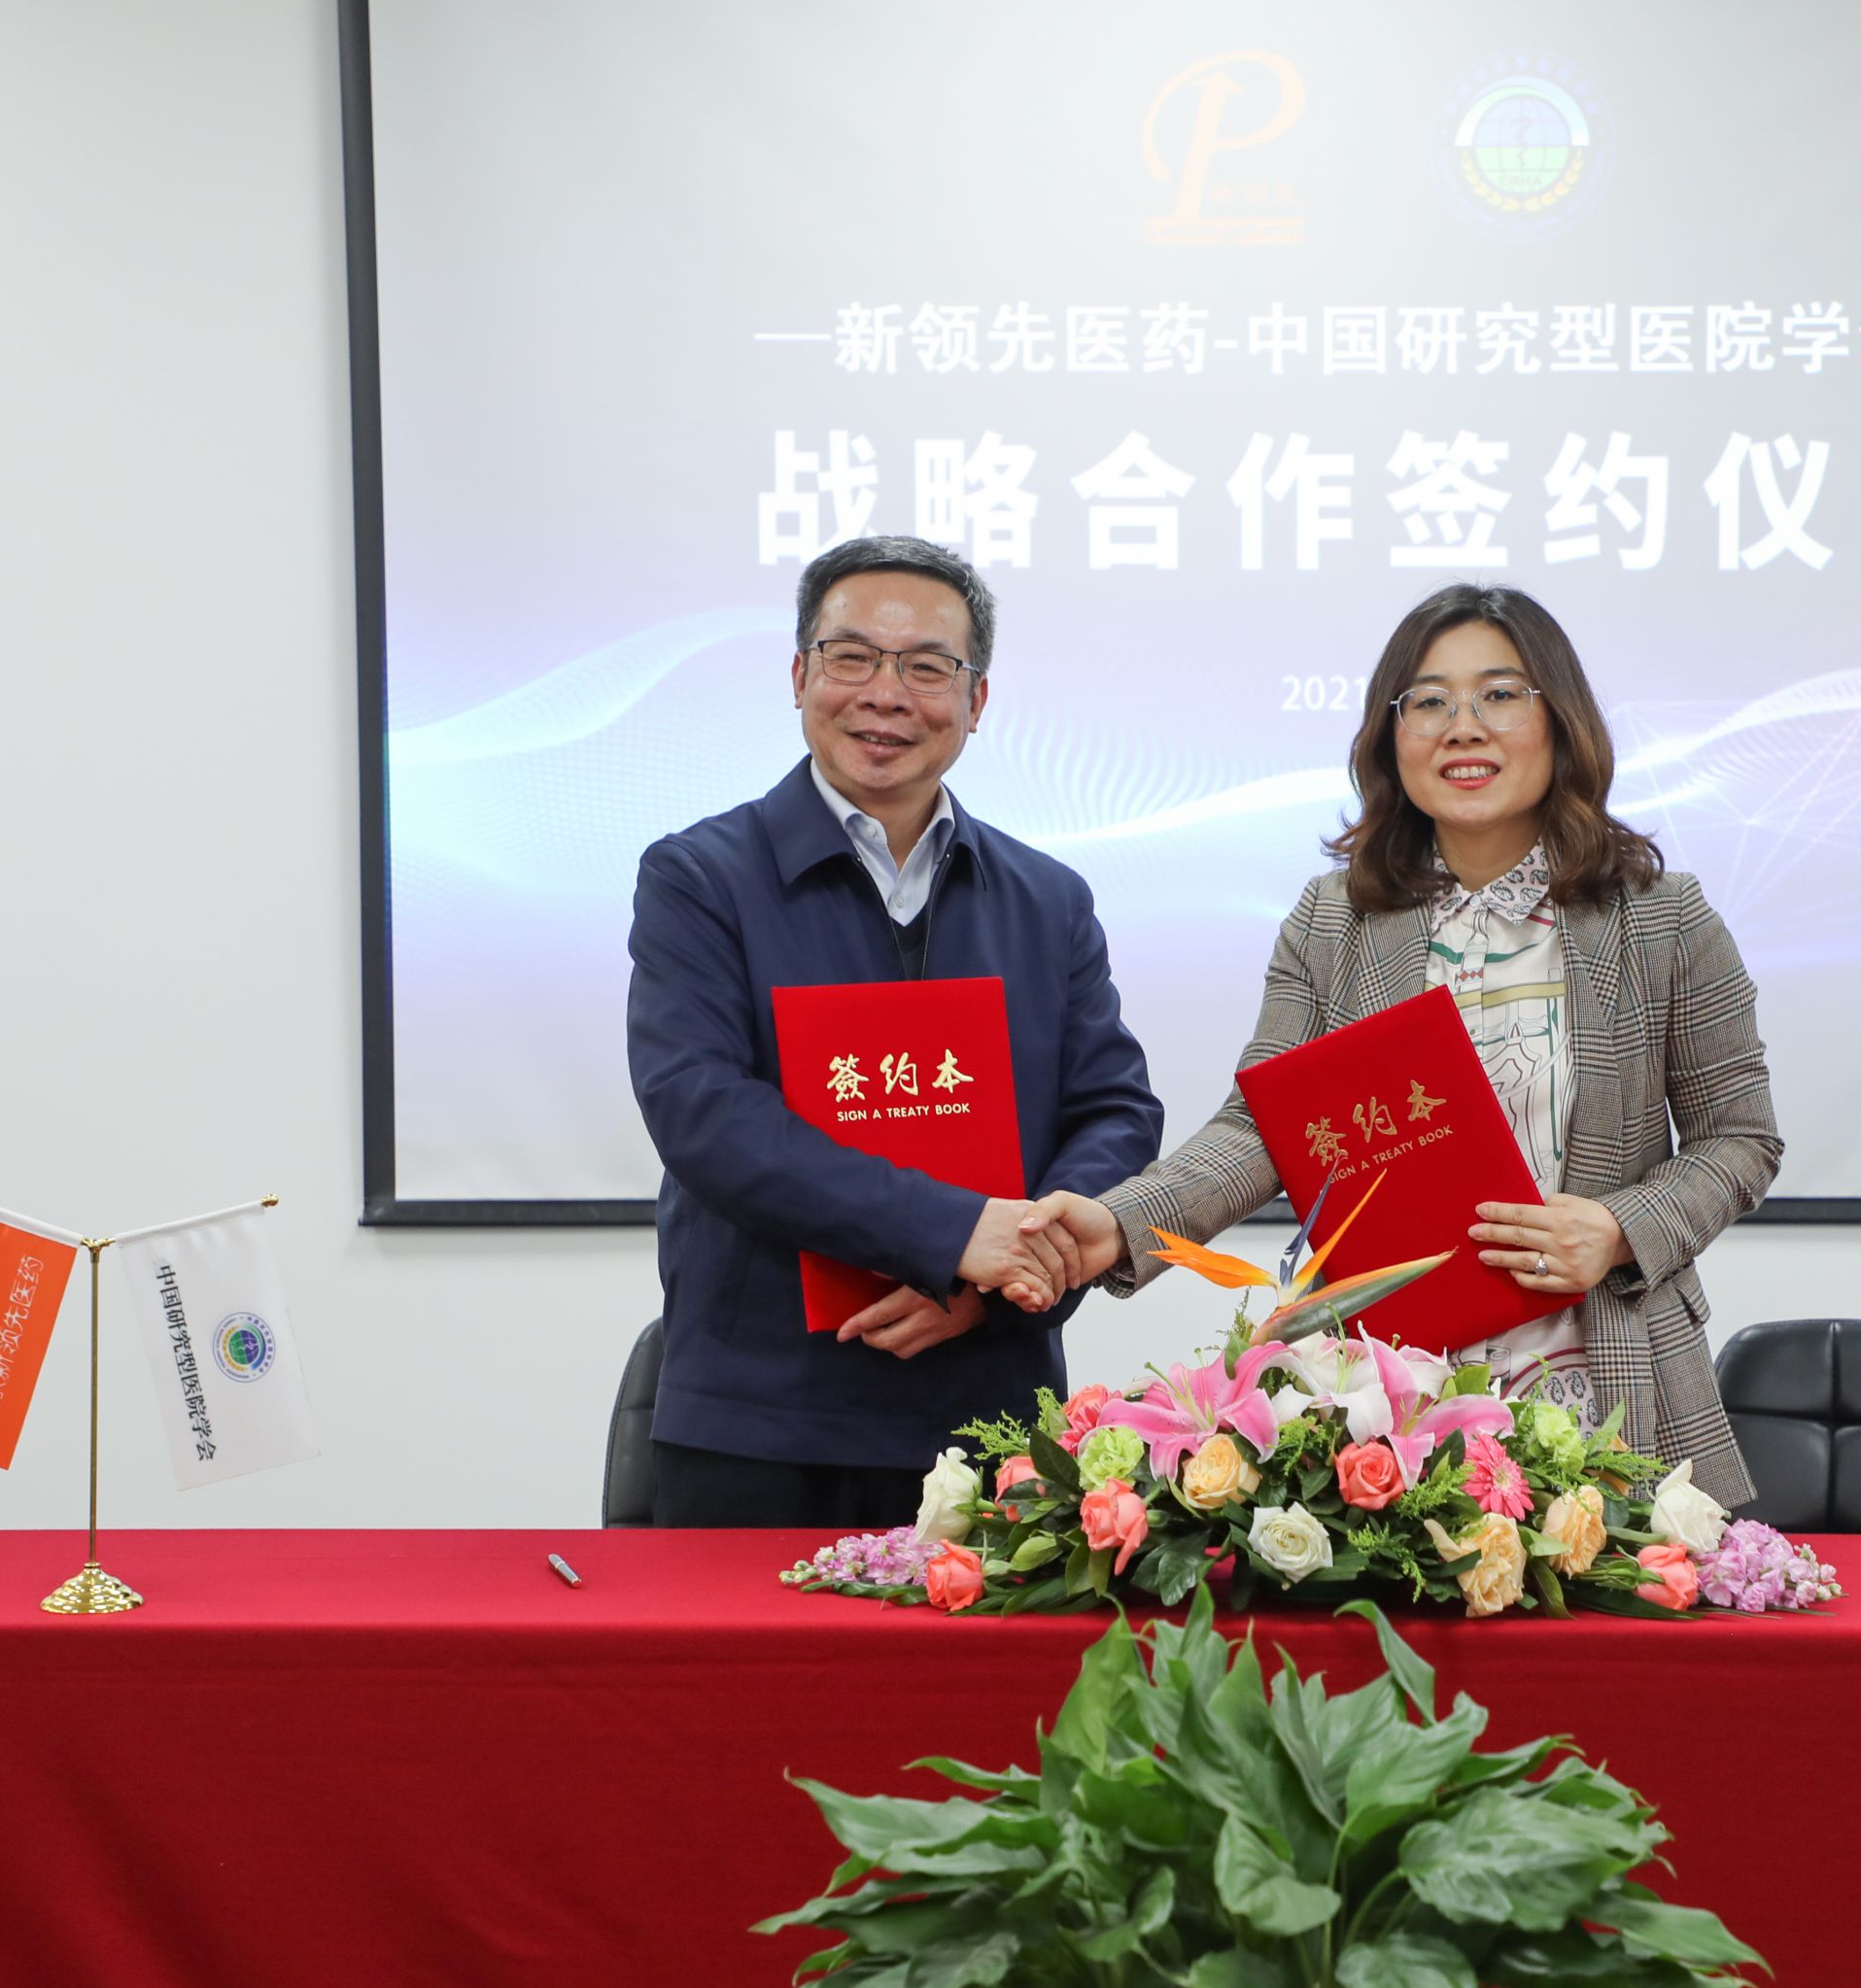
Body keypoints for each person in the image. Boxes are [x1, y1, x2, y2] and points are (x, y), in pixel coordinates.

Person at [1012, 583, 1780, 1506]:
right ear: (1392, 737)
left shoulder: (1661, 918)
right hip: (1387, 1396)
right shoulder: (1332, 921)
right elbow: (1261, 1129)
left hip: (1607, 1373)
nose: (1464, 727)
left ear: (1562, 722)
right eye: (1429, 702)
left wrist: (1619, 1229)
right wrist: (1122, 1222)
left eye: (1500, 694)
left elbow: (1740, 1138)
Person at [626, 535, 1159, 1526]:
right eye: (853, 657)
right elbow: (705, 1116)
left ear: (976, 699)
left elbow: (1115, 1113)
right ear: (800, 676)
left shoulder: (1047, 900)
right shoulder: (700, 879)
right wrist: (953, 1236)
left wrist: (1002, 1279)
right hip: (760, 1422)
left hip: (993, 1416)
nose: (885, 694)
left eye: (926, 667)